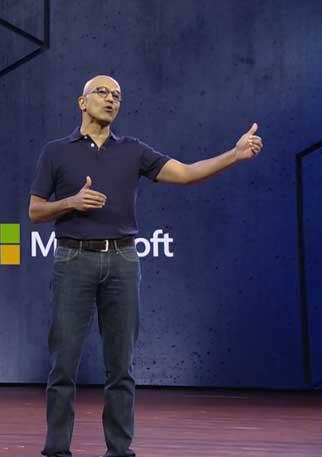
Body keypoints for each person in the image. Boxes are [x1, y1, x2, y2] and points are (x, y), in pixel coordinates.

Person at [28, 74, 263, 457]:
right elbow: (35, 210)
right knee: (63, 366)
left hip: (122, 261)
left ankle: (119, 452)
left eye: (117, 95)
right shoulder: (55, 152)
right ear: (82, 102)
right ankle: (56, 451)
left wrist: (233, 155)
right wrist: (70, 202)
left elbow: (185, 173)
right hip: (73, 259)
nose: (111, 99)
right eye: (102, 92)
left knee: (121, 368)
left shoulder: (133, 150)